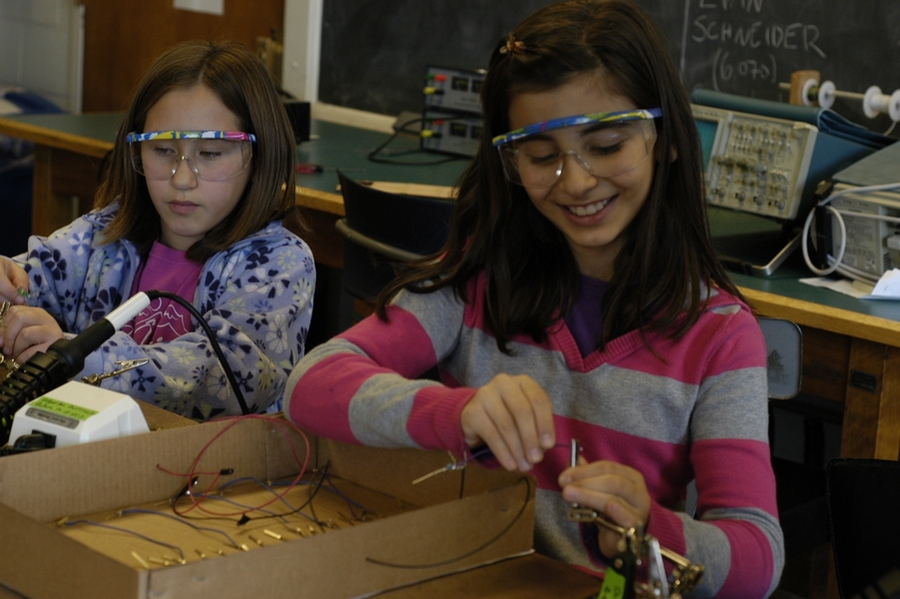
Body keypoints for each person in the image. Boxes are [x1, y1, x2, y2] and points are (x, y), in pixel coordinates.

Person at [284, 0, 782, 595]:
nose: (575, 181)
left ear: (666, 140)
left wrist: (654, 528)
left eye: (606, 146)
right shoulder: (476, 282)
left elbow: (757, 559)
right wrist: (456, 413)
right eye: (542, 157)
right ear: (509, 160)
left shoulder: (719, 333)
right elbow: (309, 385)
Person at [0, 40, 315, 420]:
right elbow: (32, 279)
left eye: (211, 154)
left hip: (214, 469)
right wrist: (10, 293)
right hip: (99, 457)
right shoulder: (106, 235)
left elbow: (223, 377)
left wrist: (72, 356)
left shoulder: (281, 263)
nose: (182, 179)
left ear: (259, 156)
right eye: (162, 151)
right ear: (135, 150)